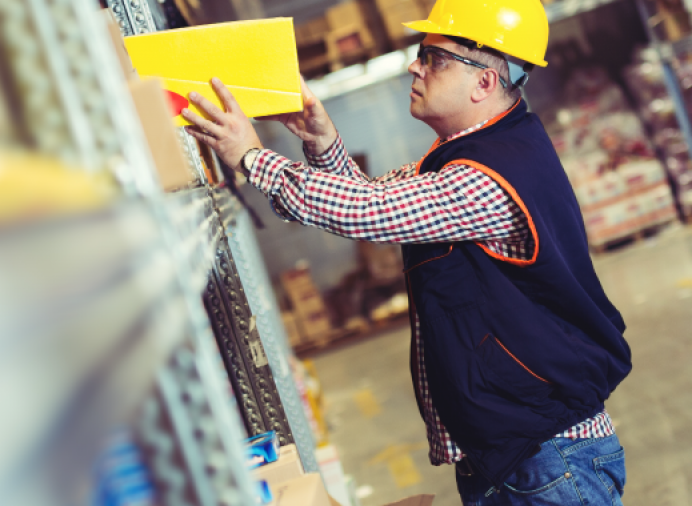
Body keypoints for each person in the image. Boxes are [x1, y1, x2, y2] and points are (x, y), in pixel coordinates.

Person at [183, 1, 632, 503]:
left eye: (434, 57)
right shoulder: (468, 158)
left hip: (548, 460)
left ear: (484, 81)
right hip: (520, 454)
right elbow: (378, 202)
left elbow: (368, 211)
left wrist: (250, 156)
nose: (414, 66)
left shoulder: (483, 178)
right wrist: (323, 142)